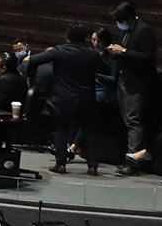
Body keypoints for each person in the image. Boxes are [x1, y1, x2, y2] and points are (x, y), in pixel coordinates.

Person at [30, 24, 111, 175]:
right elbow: (107, 70)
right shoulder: (93, 54)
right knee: (90, 132)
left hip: (62, 99)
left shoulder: (59, 51)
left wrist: (30, 77)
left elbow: (33, 60)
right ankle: (93, 167)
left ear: (67, 37)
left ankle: (61, 164)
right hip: (86, 99)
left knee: (61, 131)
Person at [106, 2, 161, 175]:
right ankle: (128, 157)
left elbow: (148, 58)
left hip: (137, 83)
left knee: (133, 121)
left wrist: (123, 52)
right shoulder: (127, 30)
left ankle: (133, 160)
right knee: (127, 120)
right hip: (124, 79)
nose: (119, 24)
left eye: (120, 21)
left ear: (129, 17)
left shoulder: (143, 31)